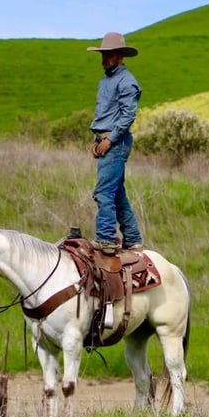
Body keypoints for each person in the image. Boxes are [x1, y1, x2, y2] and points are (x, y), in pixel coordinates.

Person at [87, 32, 144, 256]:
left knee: (103, 192)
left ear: (120, 56)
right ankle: (133, 239)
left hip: (116, 143)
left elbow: (128, 115)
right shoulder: (106, 81)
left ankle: (106, 239)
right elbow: (105, 114)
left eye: (108, 55)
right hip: (106, 140)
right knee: (117, 193)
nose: (104, 59)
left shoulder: (127, 82)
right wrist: (97, 139)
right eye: (103, 54)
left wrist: (109, 140)